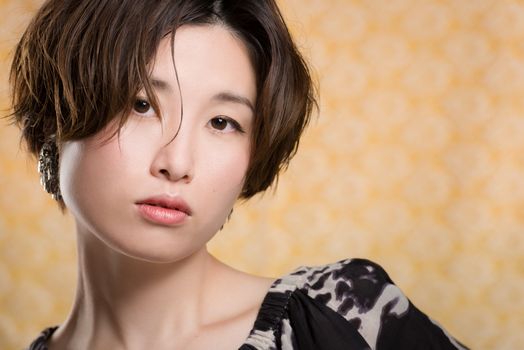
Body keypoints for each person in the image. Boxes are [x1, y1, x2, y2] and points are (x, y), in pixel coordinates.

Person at [9, 0, 468, 349]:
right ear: (53, 119)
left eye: (222, 122)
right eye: (142, 105)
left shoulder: (345, 317)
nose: (177, 162)